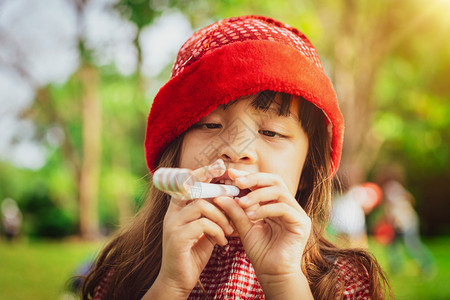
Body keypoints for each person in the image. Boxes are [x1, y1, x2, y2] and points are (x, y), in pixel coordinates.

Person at [81, 15, 390, 299]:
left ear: (308, 169)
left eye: (271, 133)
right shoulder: (123, 273)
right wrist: (170, 285)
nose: (236, 149)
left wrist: (283, 278)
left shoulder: (344, 281)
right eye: (210, 125)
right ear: (174, 156)